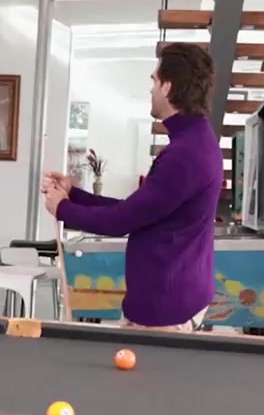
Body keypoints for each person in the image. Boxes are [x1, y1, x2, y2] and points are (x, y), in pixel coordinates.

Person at [43, 43, 222, 331]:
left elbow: (121, 221)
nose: (151, 89)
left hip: (167, 309)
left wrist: (62, 208)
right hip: (170, 300)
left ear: (168, 86)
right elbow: (136, 209)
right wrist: (72, 193)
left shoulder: (185, 153)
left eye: (154, 80)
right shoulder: (194, 141)